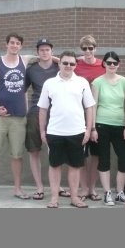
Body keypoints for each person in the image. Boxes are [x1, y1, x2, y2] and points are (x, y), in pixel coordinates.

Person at [38, 51, 95, 208]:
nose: (68, 66)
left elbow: (89, 107)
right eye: (65, 63)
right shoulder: (49, 83)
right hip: (54, 132)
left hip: (77, 132)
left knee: (75, 166)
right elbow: (42, 109)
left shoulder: (82, 82)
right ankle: (54, 198)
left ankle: (75, 198)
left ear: (75, 65)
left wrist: (88, 130)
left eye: (72, 63)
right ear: (59, 64)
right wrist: (42, 131)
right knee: (55, 166)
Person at [0, 33, 35, 202]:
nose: (14, 45)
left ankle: (17, 189)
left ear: (21, 46)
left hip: (19, 117)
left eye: (18, 43)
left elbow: (44, 56)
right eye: (12, 43)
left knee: (17, 155)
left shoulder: (24, 60)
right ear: (6, 44)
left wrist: (61, 59)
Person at [91, 51, 125, 206]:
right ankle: (107, 192)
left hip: (120, 125)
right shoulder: (97, 82)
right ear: (104, 64)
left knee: (124, 160)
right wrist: (93, 128)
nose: (112, 65)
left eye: (115, 63)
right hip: (102, 125)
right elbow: (93, 106)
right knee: (104, 159)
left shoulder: (124, 82)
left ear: (119, 64)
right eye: (109, 63)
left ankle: (120, 192)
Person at [24, 37, 61, 200]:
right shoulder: (31, 70)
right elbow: (23, 90)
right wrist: (26, 109)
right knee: (34, 150)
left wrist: (57, 59)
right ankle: (39, 187)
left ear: (52, 51)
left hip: (56, 114)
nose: (45, 52)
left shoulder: (59, 67)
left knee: (56, 150)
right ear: (37, 52)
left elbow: (72, 63)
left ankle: (57, 186)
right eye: (41, 50)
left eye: (47, 49)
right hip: (35, 112)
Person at [74, 35, 105, 201]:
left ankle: (92, 188)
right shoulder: (76, 65)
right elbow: (58, 60)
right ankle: (84, 188)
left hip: (99, 116)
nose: (87, 51)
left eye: (90, 48)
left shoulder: (103, 65)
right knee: (80, 154)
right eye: (84, 48)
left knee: (96, 155)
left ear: (95, 48)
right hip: (79, 116)